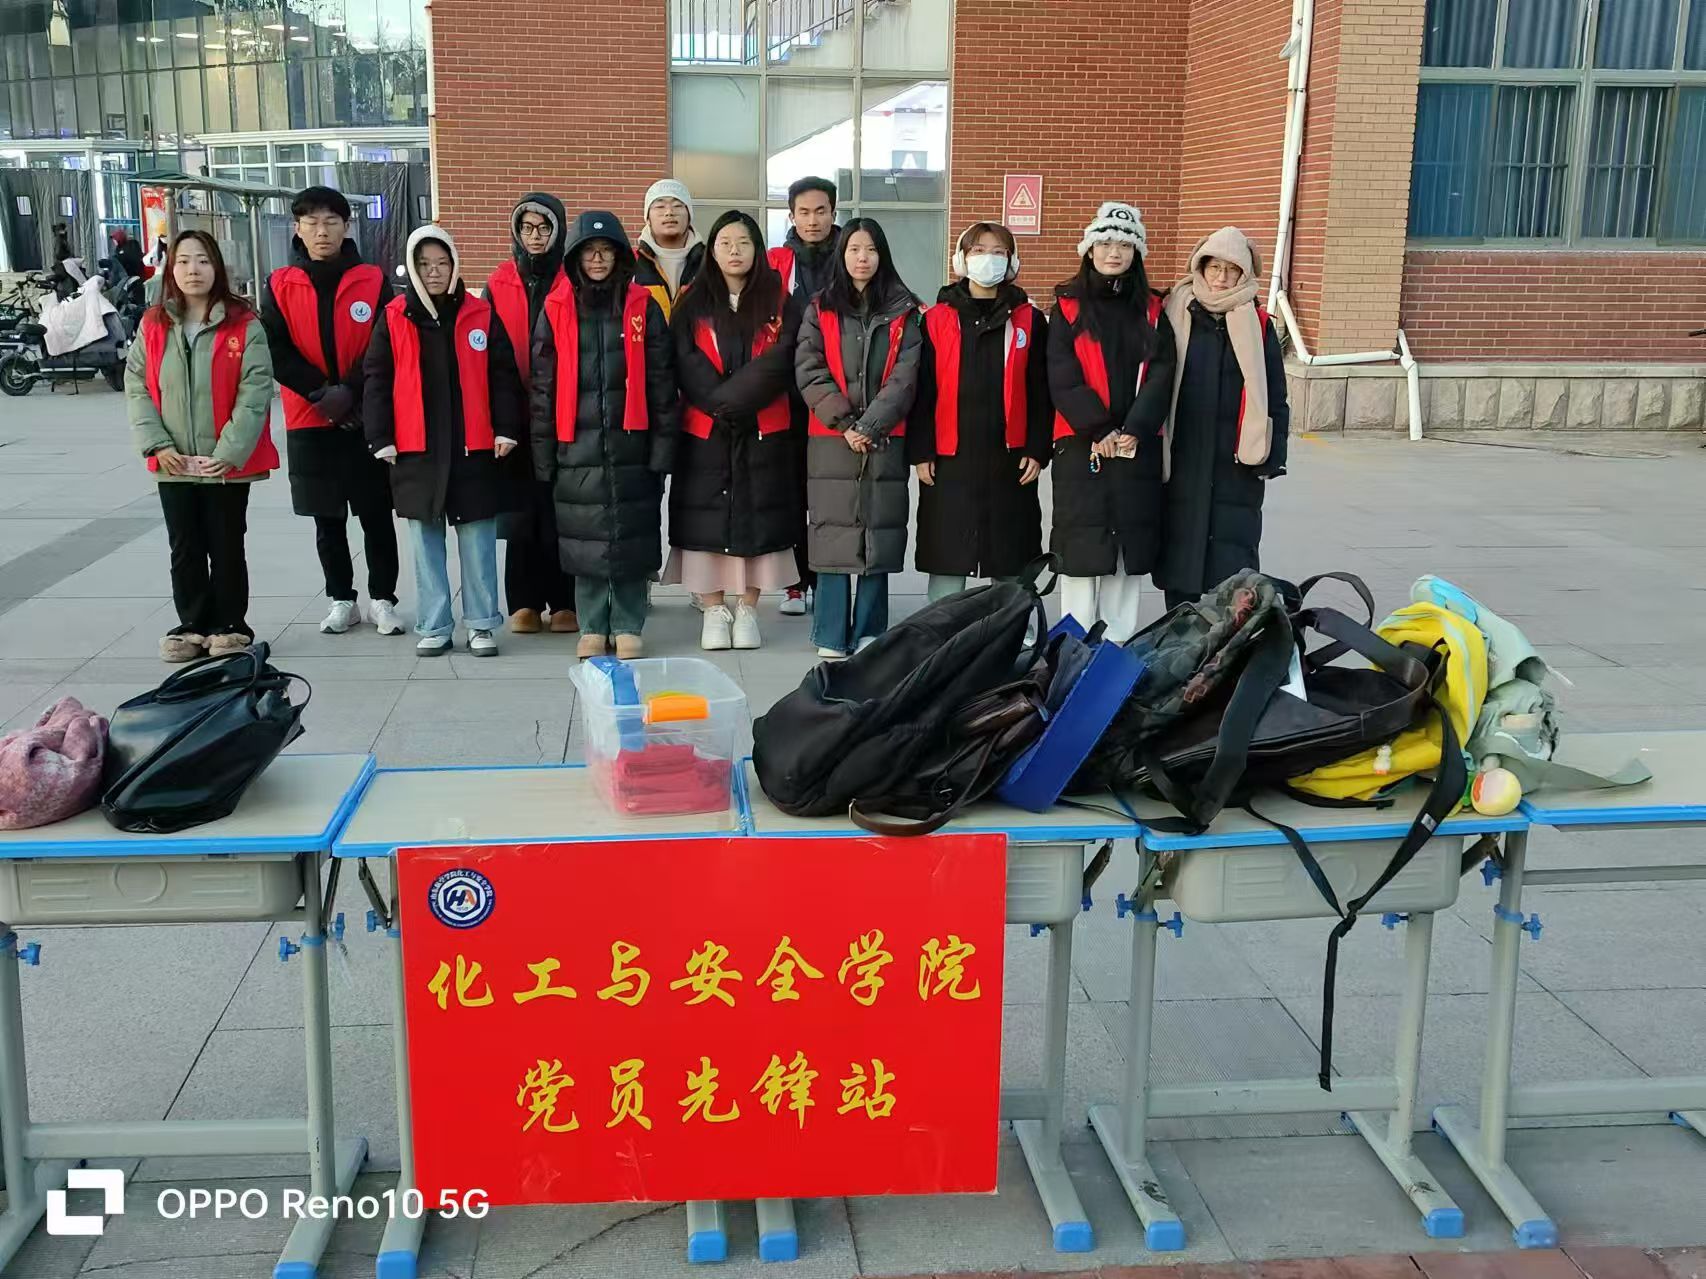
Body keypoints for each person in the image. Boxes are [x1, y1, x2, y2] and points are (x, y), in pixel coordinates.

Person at [529, 211, 678, 660]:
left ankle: (629, 623)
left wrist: (663, 448)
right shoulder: (556, 308)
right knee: (585, 539)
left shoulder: (643, 307)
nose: (597, 259)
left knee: (632, 536)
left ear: (619, 257)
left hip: (633, 442)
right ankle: (593, 624)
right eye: (589, 252)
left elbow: (662, 383)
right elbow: (543, 387)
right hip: (575, 444)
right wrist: (543, 453)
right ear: (575, 258)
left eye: (606, 251)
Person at [125, 230, 278, 663]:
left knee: (226, 544)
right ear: (171, 269)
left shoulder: (244, 324)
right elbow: (137, 386)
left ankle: (230, 625)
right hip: (172, 461)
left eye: (203, 260)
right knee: (185, 546)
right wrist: (157, 445)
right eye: (184, 261)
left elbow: (255, 391)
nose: (193, 270)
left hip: (222, 464)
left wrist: (228, 452)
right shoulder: (153, 324)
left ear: (217, 268)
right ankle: (191, 624)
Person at [364, 227, 517, 657]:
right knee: (425, 543)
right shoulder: (394, 315)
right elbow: (376, 379)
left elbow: (503, 376)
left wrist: (505, 428)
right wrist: (380, 436)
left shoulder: (480, 313)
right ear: (412, 268)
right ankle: (434, 624)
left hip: (473, 448)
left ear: (454, 266)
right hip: (416, 450)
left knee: (478, 541)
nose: (434, 272)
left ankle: (482, 624)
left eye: (442, 263)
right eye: (424, 264)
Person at [262, 186, 401, 638]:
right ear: (298, 228)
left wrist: (351, 394)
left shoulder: (372, 280)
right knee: (327, 518)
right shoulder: (279, 283)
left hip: (364, 418)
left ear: (346, 227)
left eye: (331, 222)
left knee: (376, 515)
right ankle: (342, 599)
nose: (322, 231)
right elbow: (275, 349)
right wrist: (323, 394)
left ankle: (383, 598)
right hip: (310, 418)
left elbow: (384, 343)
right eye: (312, 222)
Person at [666, 211, 804, 652]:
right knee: (704, 520)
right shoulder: (692, 301)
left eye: (743, 242)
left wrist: (735, 402)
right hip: (706, 430)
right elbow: (684, 360)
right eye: (724, 242)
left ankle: (747, 609)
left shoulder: (781, 302)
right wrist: (720, 404)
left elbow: (782, 359)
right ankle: (713, 609)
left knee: (758, 518)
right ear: (712, 250)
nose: (734, 251)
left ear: (757, 249)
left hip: (763, 427)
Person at [1140, 226, 1291, 609]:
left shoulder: (1259, 325)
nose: (1221, 278)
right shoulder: (1174, 313)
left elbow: (1275, 397)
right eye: (1214, 267)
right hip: (1183, 457)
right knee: (1180, 557)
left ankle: (1224, 637)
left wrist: (1273, 455)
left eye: (1231, 269)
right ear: (1200, 267)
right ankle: (1179, 630)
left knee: (1232, 568)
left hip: (1236, 463)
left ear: (1245, 273)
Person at [794, 217, 922, 658]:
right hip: (831, 439)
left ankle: (869, 629)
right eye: (853, 249)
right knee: (833, 531)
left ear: (882, 255)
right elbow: (809, 370)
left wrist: (870, 425)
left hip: (885, 437)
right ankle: (830, 633)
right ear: (841, 255)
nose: (862, 258)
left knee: (877, 531)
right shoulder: (820, 308)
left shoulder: (905, 311)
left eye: (870, 249)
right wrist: (845, 423)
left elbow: (907, 376)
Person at [909, 222, 1051, 601]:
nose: (989, 259)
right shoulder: (936, 319)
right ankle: (944, 627)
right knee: (948, 555)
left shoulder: (1030, 320)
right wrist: (921, 451)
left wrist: (1038, 448)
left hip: (1011, 460)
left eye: (999, 252)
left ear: (1012, 262)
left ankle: (1013, 624)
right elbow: (922, 391)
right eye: (978, 250)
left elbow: (1041, 391)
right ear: (962, 259)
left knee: (1011, 554)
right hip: (949, 460)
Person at [1047, 202, 1164, 643]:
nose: (1114, 252)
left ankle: (1116, 644)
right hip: (1083, 445)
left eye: (1124, 245)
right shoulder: (1067, 307)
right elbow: (1061, 373)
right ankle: (1072, 644)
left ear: (1137, 253)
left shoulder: (1153, 310)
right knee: (1080, 549)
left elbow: (1162, 372)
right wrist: (1099, 429)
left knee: (1125, 552)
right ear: (1089, 250)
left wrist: (1135, 428)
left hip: (1135, 446)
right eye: (1105, 243)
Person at [485, 193, 578, 636]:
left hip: (562, 410)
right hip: (515, 411)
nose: (536, 236)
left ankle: (564, 601)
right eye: (527, 228)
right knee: (520, 511)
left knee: (561, 509)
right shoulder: (499, 280)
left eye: (544, 228)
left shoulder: (572, 278)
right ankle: (523, 601)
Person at [768, 176, 840, 617]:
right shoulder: (777, 263)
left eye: (821, 211)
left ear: (833, 212)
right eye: (804, 212)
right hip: (788, 396)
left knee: (832, 494)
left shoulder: (852, 256)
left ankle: (829, 579)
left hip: (839, 393)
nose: (813, 220)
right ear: (792, 216)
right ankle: (795, 583)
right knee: (791, 491)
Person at [633, 179, 704, 321]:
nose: (669, 212)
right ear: (647, 218)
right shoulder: (631, 264)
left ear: (689, 215)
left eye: (677, 205)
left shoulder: (711, 262)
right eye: (660, 206)